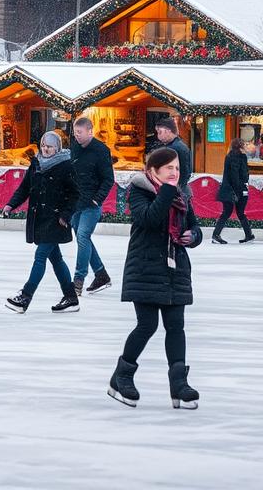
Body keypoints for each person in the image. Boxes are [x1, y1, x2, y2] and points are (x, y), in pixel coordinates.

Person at [107, 147, 202, 410]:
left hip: (174, 269)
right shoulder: (139, 190)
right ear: (153, 170)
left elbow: (194, 226)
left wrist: (192, 237)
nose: (175, 172)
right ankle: (121, 376)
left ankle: (179, 385)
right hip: (146, 267)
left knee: (176, 326)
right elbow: (148, 219)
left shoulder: (180, 194)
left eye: (178, 169)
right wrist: (169, 191)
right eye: (169, 168)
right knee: (146, 325)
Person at [3, 131, 80, 314]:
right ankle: (71, 297)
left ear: (57, 148)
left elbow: (75, 194)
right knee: (57, 260)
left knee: (40, 257)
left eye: (50, 146)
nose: (46, 149)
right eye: (44, 145)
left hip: (56, 219)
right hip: (39, 218)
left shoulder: (66, 165)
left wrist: (65, 214)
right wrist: (10, 205)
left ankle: (26, 296)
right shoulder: (36, 163)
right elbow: (24, 189)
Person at [69, 117, 115, 295]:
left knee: (82, 236)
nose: (77, 136)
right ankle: (101, 274)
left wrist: (97, 199)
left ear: (90, 131)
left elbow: (108, 179)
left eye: (79, 133)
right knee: (84, 239)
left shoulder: (101, 150)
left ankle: (78, 280)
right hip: (76, 203)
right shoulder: (75, 148)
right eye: (75, 133)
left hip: (91, 203)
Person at [211, 137, 251, 244]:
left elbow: (232, 174)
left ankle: (216, 234)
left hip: (227, 189)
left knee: (228, 212)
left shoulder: (228, 156)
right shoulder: (242, 157)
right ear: (241, 146)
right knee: (238, 212)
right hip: (237, 189)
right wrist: (242, 184)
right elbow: (241, 174)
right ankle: (248, 234)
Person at [154, 117, 191, 198]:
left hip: (176, 193)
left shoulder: (175, 148)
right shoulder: (175, 145)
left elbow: (184, 172)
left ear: (168, 131)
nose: (158, 136)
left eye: (160, 132)